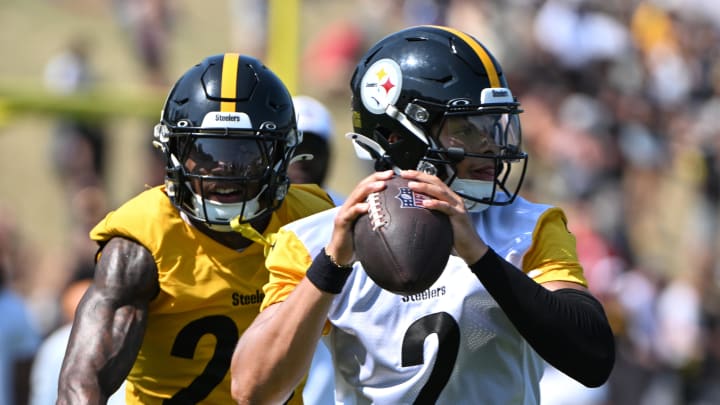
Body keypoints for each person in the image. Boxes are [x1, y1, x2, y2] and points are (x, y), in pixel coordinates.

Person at [230, 25, 616, 404]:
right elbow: (254, 390)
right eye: (465, 128)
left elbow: (592, 359)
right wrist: (330, 267)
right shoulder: (313, 242)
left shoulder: (528, 228)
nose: (491, 145)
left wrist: (480, 256)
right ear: (399, 138)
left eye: (492, 125)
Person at [57, 53, 335, 404]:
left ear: (280, 156)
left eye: (244, 153)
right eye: (204, 150)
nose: (222, 168)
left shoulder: (311, 223)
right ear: (173, 152)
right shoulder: (143, 243)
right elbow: (82, 385)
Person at [289, 94, 345, 204]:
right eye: (294, 148)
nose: (303, 158)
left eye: (313, 149)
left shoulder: (346, 214)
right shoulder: (254, 215)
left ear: (328, 155)